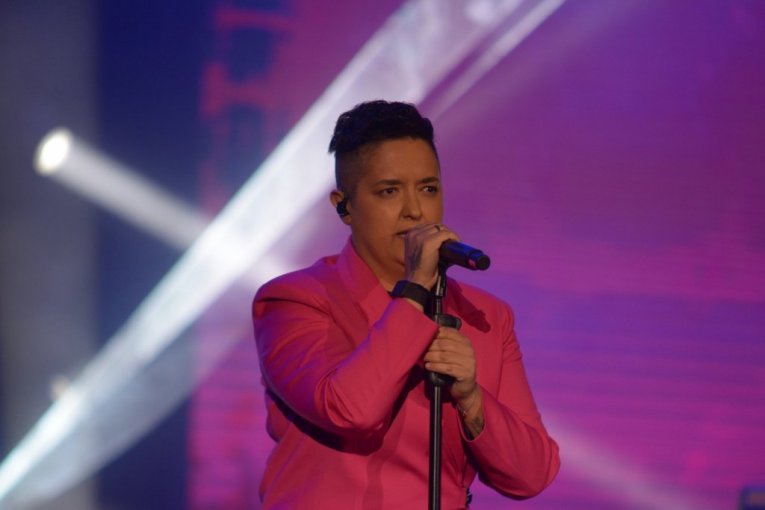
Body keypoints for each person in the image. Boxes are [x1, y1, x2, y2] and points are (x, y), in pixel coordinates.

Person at [252, 100, 560, 509]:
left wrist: (471, 398)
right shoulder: (295, 300)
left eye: (428, 189)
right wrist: (415, 289)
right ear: (344, 205)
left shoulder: (485, 316)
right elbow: (349, 411)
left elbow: (532, 474)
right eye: (389, 191)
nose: (414, 211)